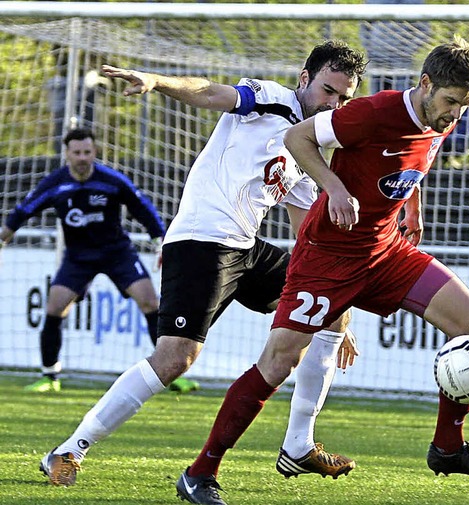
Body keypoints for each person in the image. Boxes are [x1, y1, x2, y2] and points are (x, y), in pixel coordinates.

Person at [38, 41, 367, 505]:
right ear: (303, 79)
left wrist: (327, 307)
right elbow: (211, 92)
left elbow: (304, 230)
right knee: (175, 360)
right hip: (202, 241)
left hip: (245, 249)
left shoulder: (306, 149)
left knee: (334, 305)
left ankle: (299, 444)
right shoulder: (271, 97)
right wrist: (156, 81)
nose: (334, 105)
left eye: (344, 99)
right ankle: (69, 450)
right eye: (328, 91)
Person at [266, 36, 469, 485]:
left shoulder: (443, 116)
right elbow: (298, 137)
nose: (456, 113)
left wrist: (412, 204)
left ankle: (448, 448)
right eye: (451, 101)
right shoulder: (376, 111)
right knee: (278, 358)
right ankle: (209, 467)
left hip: (385, 249)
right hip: (329, 248)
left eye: (465, 105)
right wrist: (335, 190)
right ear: (425, 84)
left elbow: (412, 159)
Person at [0, 128, 199, 395]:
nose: (83, 157)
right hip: (78, 257)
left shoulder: (111, 180)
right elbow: (24, 210)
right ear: (67, 154)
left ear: (94, 152)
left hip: (117, 252)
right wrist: (4, 237)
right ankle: (50, 375)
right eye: (77, 152)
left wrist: (158, 239)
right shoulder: (55, 183)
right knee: (55, 306)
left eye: (87, 152)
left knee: (151, 302)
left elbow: (142, 207)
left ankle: (171, 372)